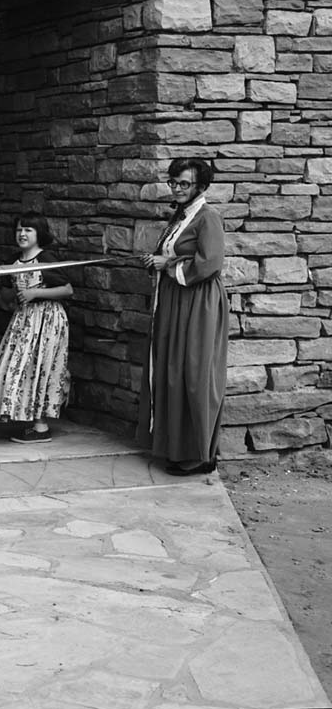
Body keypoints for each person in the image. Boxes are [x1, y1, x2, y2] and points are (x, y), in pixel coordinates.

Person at [137, 157, 229, 476]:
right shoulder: (181, 216)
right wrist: (158, 260)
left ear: (201, 187)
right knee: (172, 370)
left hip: (198, 302)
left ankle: (199, 455)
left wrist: (168, 265)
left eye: (184, 183)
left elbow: (209, 264)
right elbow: (175, 253)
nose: (176, 188)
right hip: (176, 299)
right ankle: (177, 448)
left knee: (194, 374)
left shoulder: (208, 217)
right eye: (173, 182)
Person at [0, 213, 73, 442]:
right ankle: (25, 418)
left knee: (42, 368)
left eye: (28, 230)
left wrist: (35, 292)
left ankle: (41, 428)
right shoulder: (13, 261)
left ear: (39, 233)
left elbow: (68, 290)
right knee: (19, 367)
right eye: (19, 229)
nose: (22, 234)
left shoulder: (46, 258)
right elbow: (6, 294)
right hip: (23, 321)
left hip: (47, 320)